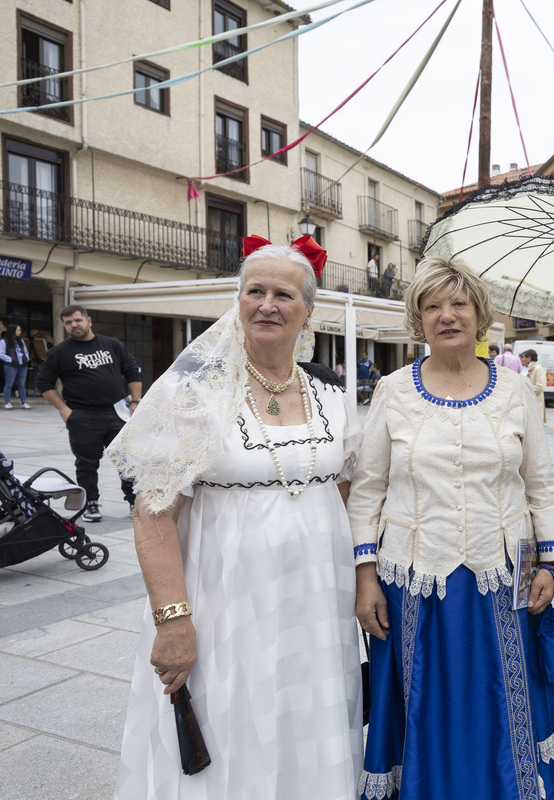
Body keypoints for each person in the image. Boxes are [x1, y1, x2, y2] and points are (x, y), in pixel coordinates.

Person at [107, 235, 364, 798]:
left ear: (308, 310)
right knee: (232, 720)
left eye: (283, 294)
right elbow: (152, 515)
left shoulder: (334, 399)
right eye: (255, 291)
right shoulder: (193, 397)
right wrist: (172, 619)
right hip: (224, 603)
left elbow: (351, 499)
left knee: (305, 718)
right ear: (238, 302)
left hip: (317, 606)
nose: (267, 304)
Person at [349, 257, 554, 799]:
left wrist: (550, 563)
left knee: (506, 703)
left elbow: (540, 483)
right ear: (417, 320)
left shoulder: (518, 392)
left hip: (506, 577)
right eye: (432, 306)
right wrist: (365, 576)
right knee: (424, 700)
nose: (447, 315)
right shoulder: (392, 392)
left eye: (459, 303)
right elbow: (368, 489)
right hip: (413, 581)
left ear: (479, 314)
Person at [36, 305, 142, 522]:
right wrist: (63, 409)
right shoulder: (59, 352)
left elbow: (132, 371)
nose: (74, 325)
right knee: (86, 463)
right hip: (83, 416)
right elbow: (43, 383)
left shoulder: (112, 344)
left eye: (77, 320)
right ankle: (90, 503)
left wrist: (136, 402)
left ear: (89, 321)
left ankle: (134, 501)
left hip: (118, 412)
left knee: (127, 459)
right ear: (65, 325)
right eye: (68, 322)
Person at [1, 323, 32, 409]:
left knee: (21, 383)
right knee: (9, 383)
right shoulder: (4, 341)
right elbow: (1, 354)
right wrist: (11, 360)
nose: (20, 332)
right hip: (11, 365)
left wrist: (27, 358)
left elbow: (25, 351)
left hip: (22, 365)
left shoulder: (20, 341)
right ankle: (7, 402)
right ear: (13, 331)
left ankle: (24, 402)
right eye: (18, 330)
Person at [521, 348, 547, 421]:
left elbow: (540, 386)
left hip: (535, 401)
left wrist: (525, 390)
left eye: (523, 357)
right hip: (528, 401)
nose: (521, 359)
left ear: (529, 358)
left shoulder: (538, 369)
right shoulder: (527, 369)